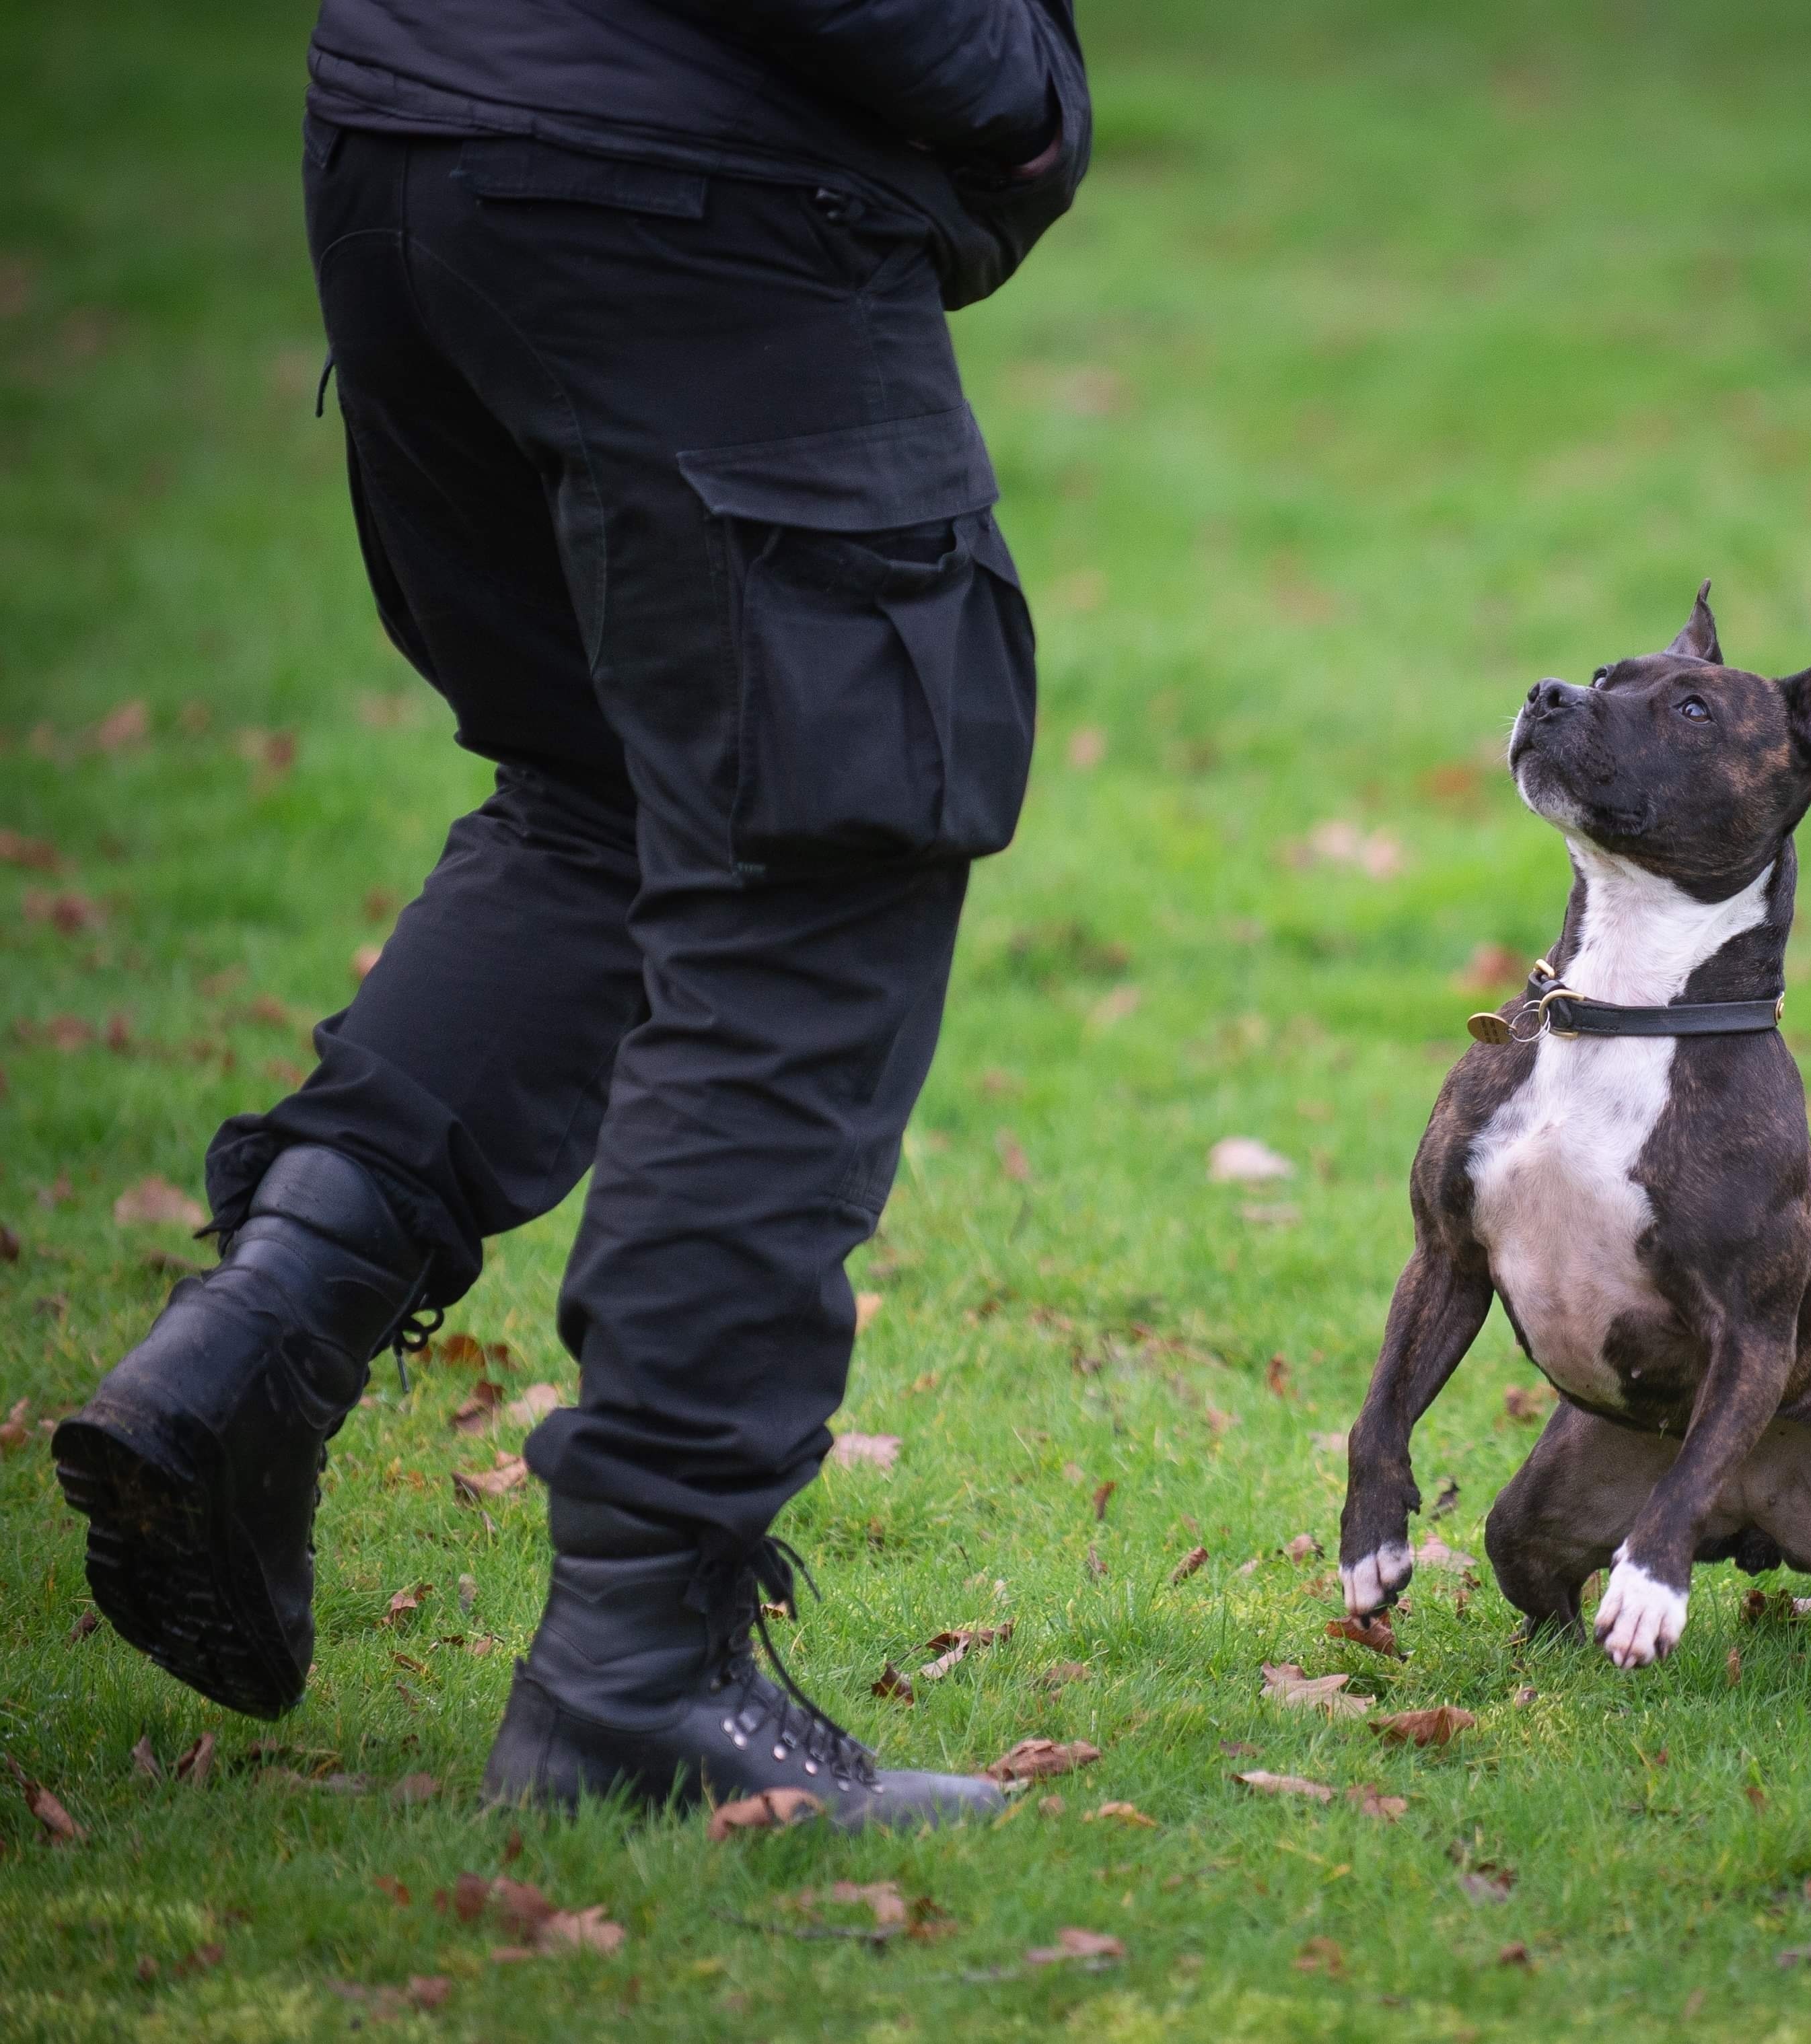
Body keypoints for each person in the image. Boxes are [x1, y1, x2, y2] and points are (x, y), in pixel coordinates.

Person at [52, 0, 1089, 1833]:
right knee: (805, 875)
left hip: (417, 149)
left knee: (609, 789)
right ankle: (640, 1673)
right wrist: (1004, 87)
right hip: (695, 199)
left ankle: (259, 1336)